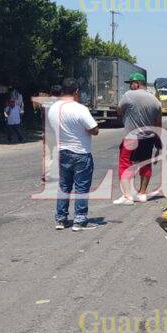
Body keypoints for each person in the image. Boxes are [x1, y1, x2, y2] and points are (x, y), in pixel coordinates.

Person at [47, 77, 99, 231]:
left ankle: (61, 219)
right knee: (81, 187)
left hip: (63, 151)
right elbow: (94, 130)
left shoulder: (53, 108)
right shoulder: (79, 109)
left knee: (64, 186)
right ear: (76, 91)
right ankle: (80, 220)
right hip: (81, 152)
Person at [114, 72, 162, 205]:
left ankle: (127, 195)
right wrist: (159, 143)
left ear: (137, 83)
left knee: (125, 165)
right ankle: (142, 193)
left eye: (131, 83)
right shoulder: (155, 101)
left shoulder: (128, 95)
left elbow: (119, 111)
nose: (130, 86)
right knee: (146, 164)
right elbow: (158, 124)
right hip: (148, 138)